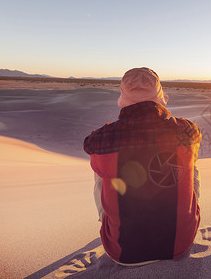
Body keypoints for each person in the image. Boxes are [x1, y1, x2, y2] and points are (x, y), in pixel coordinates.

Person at [83, 67, 202, 266]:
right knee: (191, 165)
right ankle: (183, 219)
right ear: (161, 96)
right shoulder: (187, 130)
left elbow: (89, 144)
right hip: (181, 243)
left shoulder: (102, 139)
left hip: (122, 252)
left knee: (100, 170)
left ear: (122, 97)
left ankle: (111, 224)